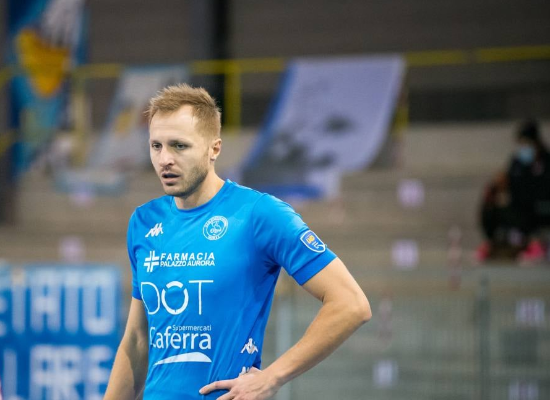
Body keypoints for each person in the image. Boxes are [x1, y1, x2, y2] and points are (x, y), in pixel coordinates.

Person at [104, 83, 372, 399]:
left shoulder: (259, 214)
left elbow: (351, 304)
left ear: (214, 149)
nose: (165, 159)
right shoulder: (144, 221)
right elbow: (137, 340)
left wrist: (272, 377)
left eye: (179, 146)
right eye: (156, 146)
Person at [476, 120, 550, 263]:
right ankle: (496, 244)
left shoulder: (546, 161)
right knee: (490, 208)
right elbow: (508, 180)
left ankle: (533, 243)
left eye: (526, 143)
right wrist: (496, 188)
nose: (523, 148)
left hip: (539, 210)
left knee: (523, 212)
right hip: (518, 207)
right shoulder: (517, 162)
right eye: (521, 143)